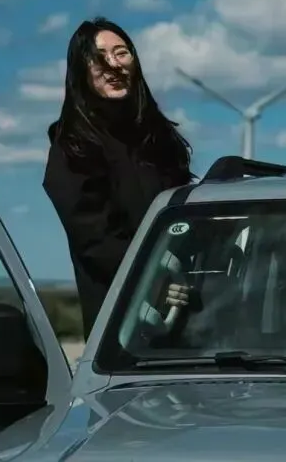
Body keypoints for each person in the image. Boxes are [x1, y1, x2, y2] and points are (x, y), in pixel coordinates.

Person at [43, 18, 193, 333]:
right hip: (121, 325)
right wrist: (155, 282)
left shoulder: (159, 139)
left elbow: (185, 217)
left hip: (188, 312)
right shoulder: (73, 147)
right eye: (98, 57)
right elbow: (96, 241)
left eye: (121, 53)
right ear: (81, 71)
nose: (113, 65)